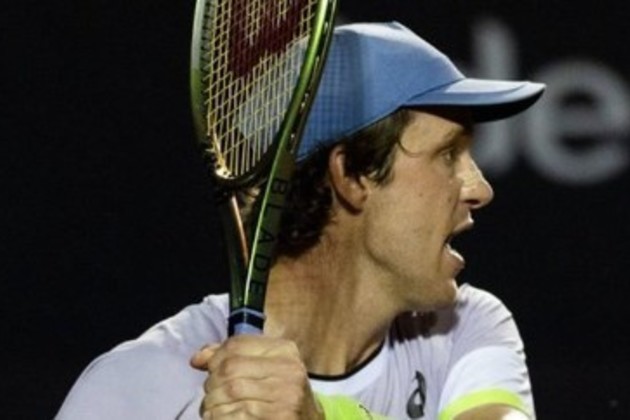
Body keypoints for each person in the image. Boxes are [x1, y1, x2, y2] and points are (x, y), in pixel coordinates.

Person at [57, 22, 545, 419]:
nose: (480, 189)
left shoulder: (465, 330)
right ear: (350, 176)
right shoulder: (140, 387)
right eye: (448, 154)